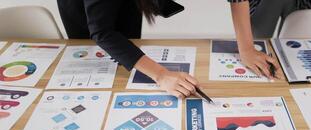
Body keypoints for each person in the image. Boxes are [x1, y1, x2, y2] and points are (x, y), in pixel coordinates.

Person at [57, 0, 279, 98]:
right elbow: (102, 32)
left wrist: (247, 48)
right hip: (86, 17)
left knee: (127, 47)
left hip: (126, 6)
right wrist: (161, 75)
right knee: (97, 67)